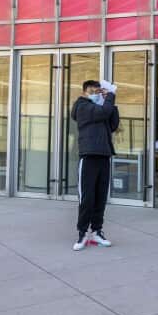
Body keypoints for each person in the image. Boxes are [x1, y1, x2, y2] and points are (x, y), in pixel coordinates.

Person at [71, 79, 119, 251]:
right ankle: (82, 233)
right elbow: (102, 113)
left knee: (100, 197)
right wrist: (110, 98)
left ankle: (97, 231)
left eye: (99, 91)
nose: (96, 93)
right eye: (93, 90)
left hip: (104, 155)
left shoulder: (101, 109)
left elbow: (113, 124)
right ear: (85, 92)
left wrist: (112, 104)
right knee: (87, 198)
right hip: (89, 156)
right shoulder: (82, 106)